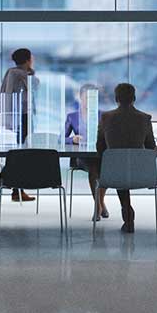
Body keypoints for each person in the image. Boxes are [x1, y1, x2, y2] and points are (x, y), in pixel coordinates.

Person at [96, 83, 156, 233]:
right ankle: (128, 213)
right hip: (140, 173)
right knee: (125, 166)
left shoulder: (106, 118)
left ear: (116, 98)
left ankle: (127, 212)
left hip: (113, 173)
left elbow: (100, 148)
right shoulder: (145, 118)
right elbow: (150, 148)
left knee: (119, 167)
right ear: (134, 98)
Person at [0, 48, 38, 203]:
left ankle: (17, 190)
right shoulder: (16, 74)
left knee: (21, 154)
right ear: (27, 59)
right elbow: (11, 95)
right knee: (20, 155)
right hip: (20, 117)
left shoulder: (20, 74)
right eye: (31, 57)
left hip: (24, 116)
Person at [64, 84, 107, 220]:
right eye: (87, 97)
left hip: (100, 154)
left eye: (93, 98)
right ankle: (98, 206)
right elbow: (61, 139)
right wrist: (73, 140)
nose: (90, 101)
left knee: (103, 166)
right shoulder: (72, 116)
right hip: (81, 157)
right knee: (94, 167)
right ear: (80, 97)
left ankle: (100, 204)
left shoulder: (104, 116)